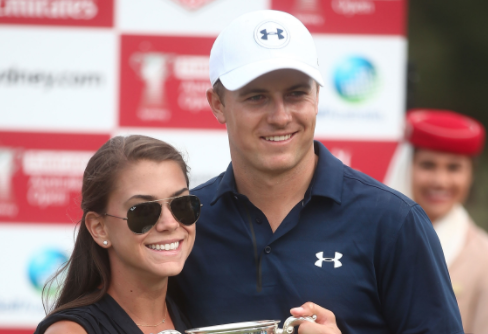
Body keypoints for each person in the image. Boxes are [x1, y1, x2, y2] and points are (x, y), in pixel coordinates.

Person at [168, 10, 463, 334]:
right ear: (217, 104)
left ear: (318, 95)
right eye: (257, 97)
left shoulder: (394, 221)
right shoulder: (182, 223)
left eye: (296, 93)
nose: (280, 117)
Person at [35, 135, 202, 334]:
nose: (170, 223)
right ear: (99, 228)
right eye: (144, 211)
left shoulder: (198, 316)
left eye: (181, 205)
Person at [405, 109, 488, 334]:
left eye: (454, 168)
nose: (440, 181)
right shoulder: (377, 235)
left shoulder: (483, 256)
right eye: (428, 165)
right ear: (408, 166)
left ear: (471, 174)